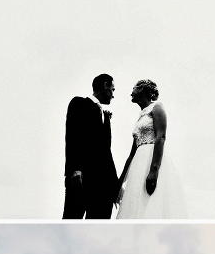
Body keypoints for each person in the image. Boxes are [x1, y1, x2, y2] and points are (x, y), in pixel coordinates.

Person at [115, 80, 187, 218]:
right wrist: (120, 182)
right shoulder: (140, 117)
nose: (131, 92)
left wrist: (154, 170)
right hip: (138, 164)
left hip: (151, 159)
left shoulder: (157, 107)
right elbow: (132, 153)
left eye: (134, 88)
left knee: (151, 202)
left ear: (142, 89)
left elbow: (161, 137)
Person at [63, 74, 119, 219]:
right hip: (81, 178)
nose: (113, 95)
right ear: (105, 85)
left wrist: (114, 186)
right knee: (71, 220)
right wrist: (74, 169)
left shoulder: (106, 117)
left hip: (103, 184)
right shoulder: (79, 103)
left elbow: (106, 151)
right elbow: (72, 137)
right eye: (113, 90)